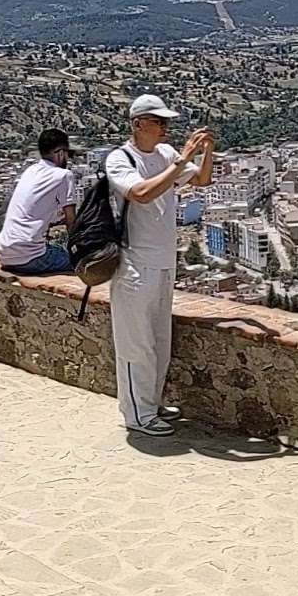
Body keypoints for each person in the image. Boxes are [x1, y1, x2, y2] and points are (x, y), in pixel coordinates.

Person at [104, 95, 216, 436]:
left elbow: (202, 180)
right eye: (159, 121)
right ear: (138, 124)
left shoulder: (167, 156)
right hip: (134, 263)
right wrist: (183, 158)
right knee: (135, 342)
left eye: (166, 121)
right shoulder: (120, 159)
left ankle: (151, 404)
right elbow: (141, 193)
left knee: (158, 340)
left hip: (164, 261)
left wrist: (206, 150)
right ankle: (137, 414)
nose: (165, 127)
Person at [0, 131, 81, 277]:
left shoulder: (30, 171)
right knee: (84, 260)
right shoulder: (63, 175)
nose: (67, 158)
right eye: (67, 154)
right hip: (30, 258)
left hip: (3, 253)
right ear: (59, 153)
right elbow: (72, 222)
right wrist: (80, 251)